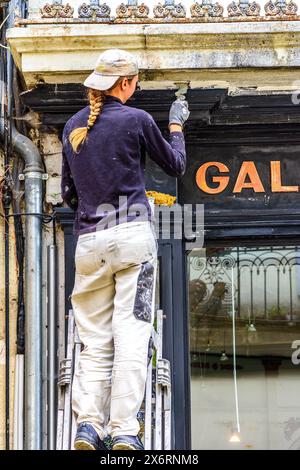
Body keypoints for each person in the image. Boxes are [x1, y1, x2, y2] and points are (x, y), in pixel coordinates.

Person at [60, 48, 190, 451]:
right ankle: (124, 431)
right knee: (132, 337)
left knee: (94, 342)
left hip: (89, 243)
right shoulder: (137, 119)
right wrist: (175, 125)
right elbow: (176, 165)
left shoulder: (71, 126)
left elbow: (68, 194)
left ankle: (87, 426)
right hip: (132, 238)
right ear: (127, 84)